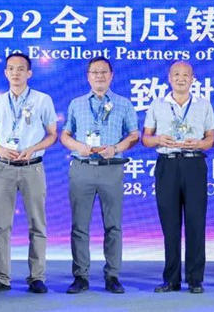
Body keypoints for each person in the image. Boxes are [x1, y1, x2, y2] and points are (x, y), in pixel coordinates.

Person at [0, 53, 58, 294]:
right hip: (4, 168)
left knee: (37, 224)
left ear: (29, 73)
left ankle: (37, 277)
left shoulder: (42, 100)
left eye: (21, 69)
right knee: (1, 226)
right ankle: (1, 278)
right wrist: (1, 149)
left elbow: (52, 135)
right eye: (11, 69)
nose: (16, 73)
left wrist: (33, 148)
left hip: (32, 166)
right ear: (6, 73)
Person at [61, 57, 139, 294]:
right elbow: (65, 135)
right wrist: (78, 146)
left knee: (113, 225)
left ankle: (112, 276)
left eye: (104, 72)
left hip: (111, 168)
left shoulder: (123, 104)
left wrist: (115, 148)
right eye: (94, 72)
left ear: (111, 76)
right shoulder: (76, 104)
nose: (99, 76)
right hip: (82, 168)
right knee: (79, 226)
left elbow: (134, 135)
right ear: (88, 77)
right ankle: (80, 276)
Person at [142, 61, 214, 294]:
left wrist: (200, 143)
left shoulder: (203, 104)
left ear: (193, 79)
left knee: (196, 223)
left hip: (194, 164)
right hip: (168, 164)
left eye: (186, 75)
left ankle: (195, 279)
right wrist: (158, 140)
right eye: (176, 74)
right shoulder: (157, 104)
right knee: (170, 225)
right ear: (169, 78)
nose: (181, 78)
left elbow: (211, 139)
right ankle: (171, 279)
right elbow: (146, 138)